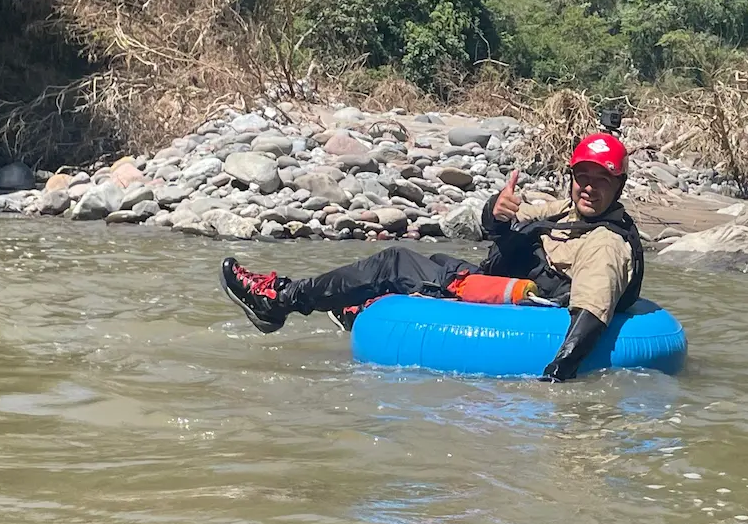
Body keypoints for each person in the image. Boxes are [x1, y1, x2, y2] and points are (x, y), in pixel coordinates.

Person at [218, 132, 646, 381]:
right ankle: (351, 306)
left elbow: (588, 318)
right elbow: (505, 227)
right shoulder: (567, 211)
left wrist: (553, 381)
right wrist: (495, 210)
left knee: (395, 262)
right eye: (582, 177)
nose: (589, 187)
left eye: (601, 180)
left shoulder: (606, 244)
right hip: (501, 287)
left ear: (619, 184)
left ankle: (280, 299)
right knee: (431, 263)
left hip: (521, 307)